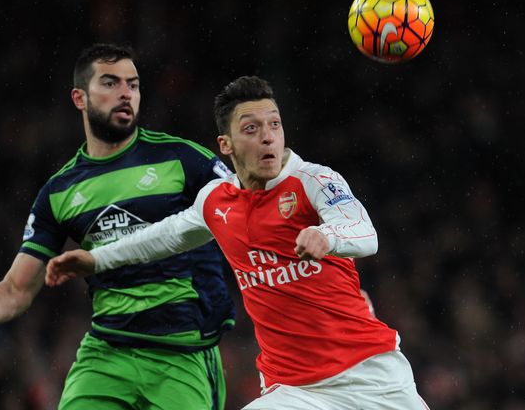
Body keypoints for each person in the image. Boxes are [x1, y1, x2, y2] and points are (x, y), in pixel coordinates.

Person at [45, 75, 429, 409]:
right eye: (251, 128)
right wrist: (96, 260)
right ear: (225, 145)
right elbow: (163, 236)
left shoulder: (314, 181)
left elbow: (365, 234)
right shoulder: (216, 200)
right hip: (294, 391)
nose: (267, 137)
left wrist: (326, 235)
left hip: (372, 372)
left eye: (274, 125)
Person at [0, 44, 235, 410]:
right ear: (79, 97)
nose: (126, 93)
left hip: (183, 351)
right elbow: (17, 288)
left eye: (133, 85)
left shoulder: (184, 160)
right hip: (107, 353)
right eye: (110, 83)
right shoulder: (60, 191)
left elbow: (249, 215)